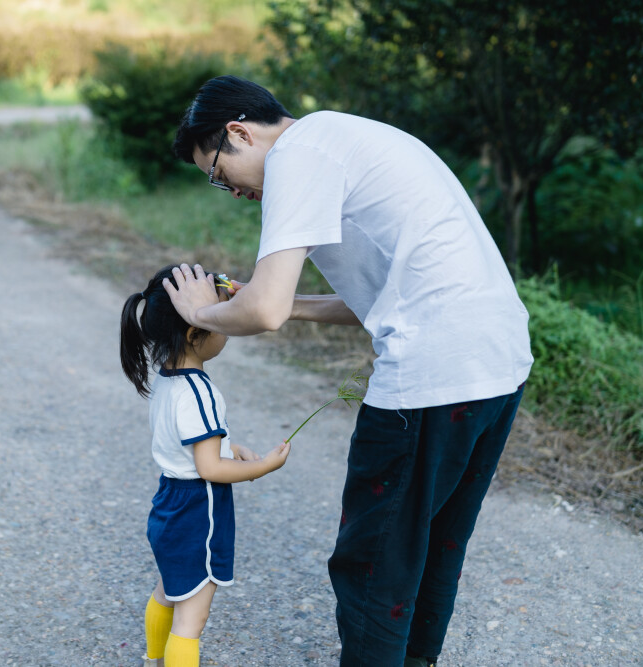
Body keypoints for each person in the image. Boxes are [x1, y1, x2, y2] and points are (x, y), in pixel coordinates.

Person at [164, 76, 533, 667]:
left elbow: (264, 311)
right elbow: (359, 303)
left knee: (373, 559)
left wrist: (199, 311)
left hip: (435, 374)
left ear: (238, 132)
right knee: (433, 545)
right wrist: (260, 295)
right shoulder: (341, 138)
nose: (227, 191)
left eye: (216, 173)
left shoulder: (297, 156)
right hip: (497, 362)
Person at [120, 264, 292, 667]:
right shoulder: (200, 391)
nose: (227, 328)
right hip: (199, 509)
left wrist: (230, 447)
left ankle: (152, 659)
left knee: (169, 590)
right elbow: (210, 469)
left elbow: (190, 445)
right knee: (191, 619)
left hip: (168, 502)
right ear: (196, 333)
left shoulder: (166, 379)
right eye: (220, 319)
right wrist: (262, 467)